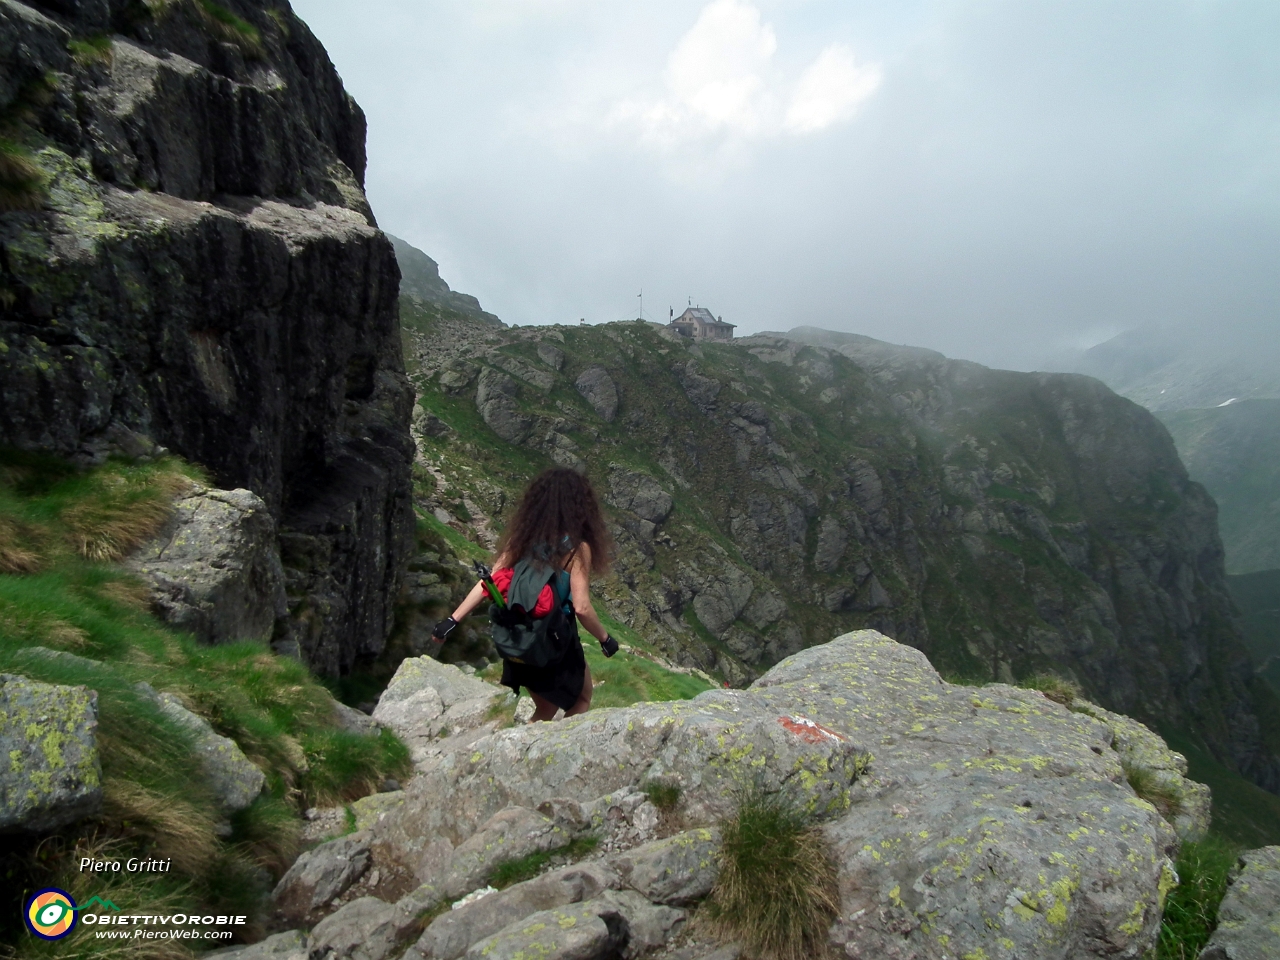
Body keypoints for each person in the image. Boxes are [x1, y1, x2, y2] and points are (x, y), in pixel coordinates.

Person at [431, 468, 619, 721]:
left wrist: (452, 620)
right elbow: (582, 608)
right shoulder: (577, 549)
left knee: (545, 708)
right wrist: (605, 639)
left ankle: (528, 746)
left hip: (517, 634)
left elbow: (491, 583)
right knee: (582, 699)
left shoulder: (523, 537)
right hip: (554, 637)